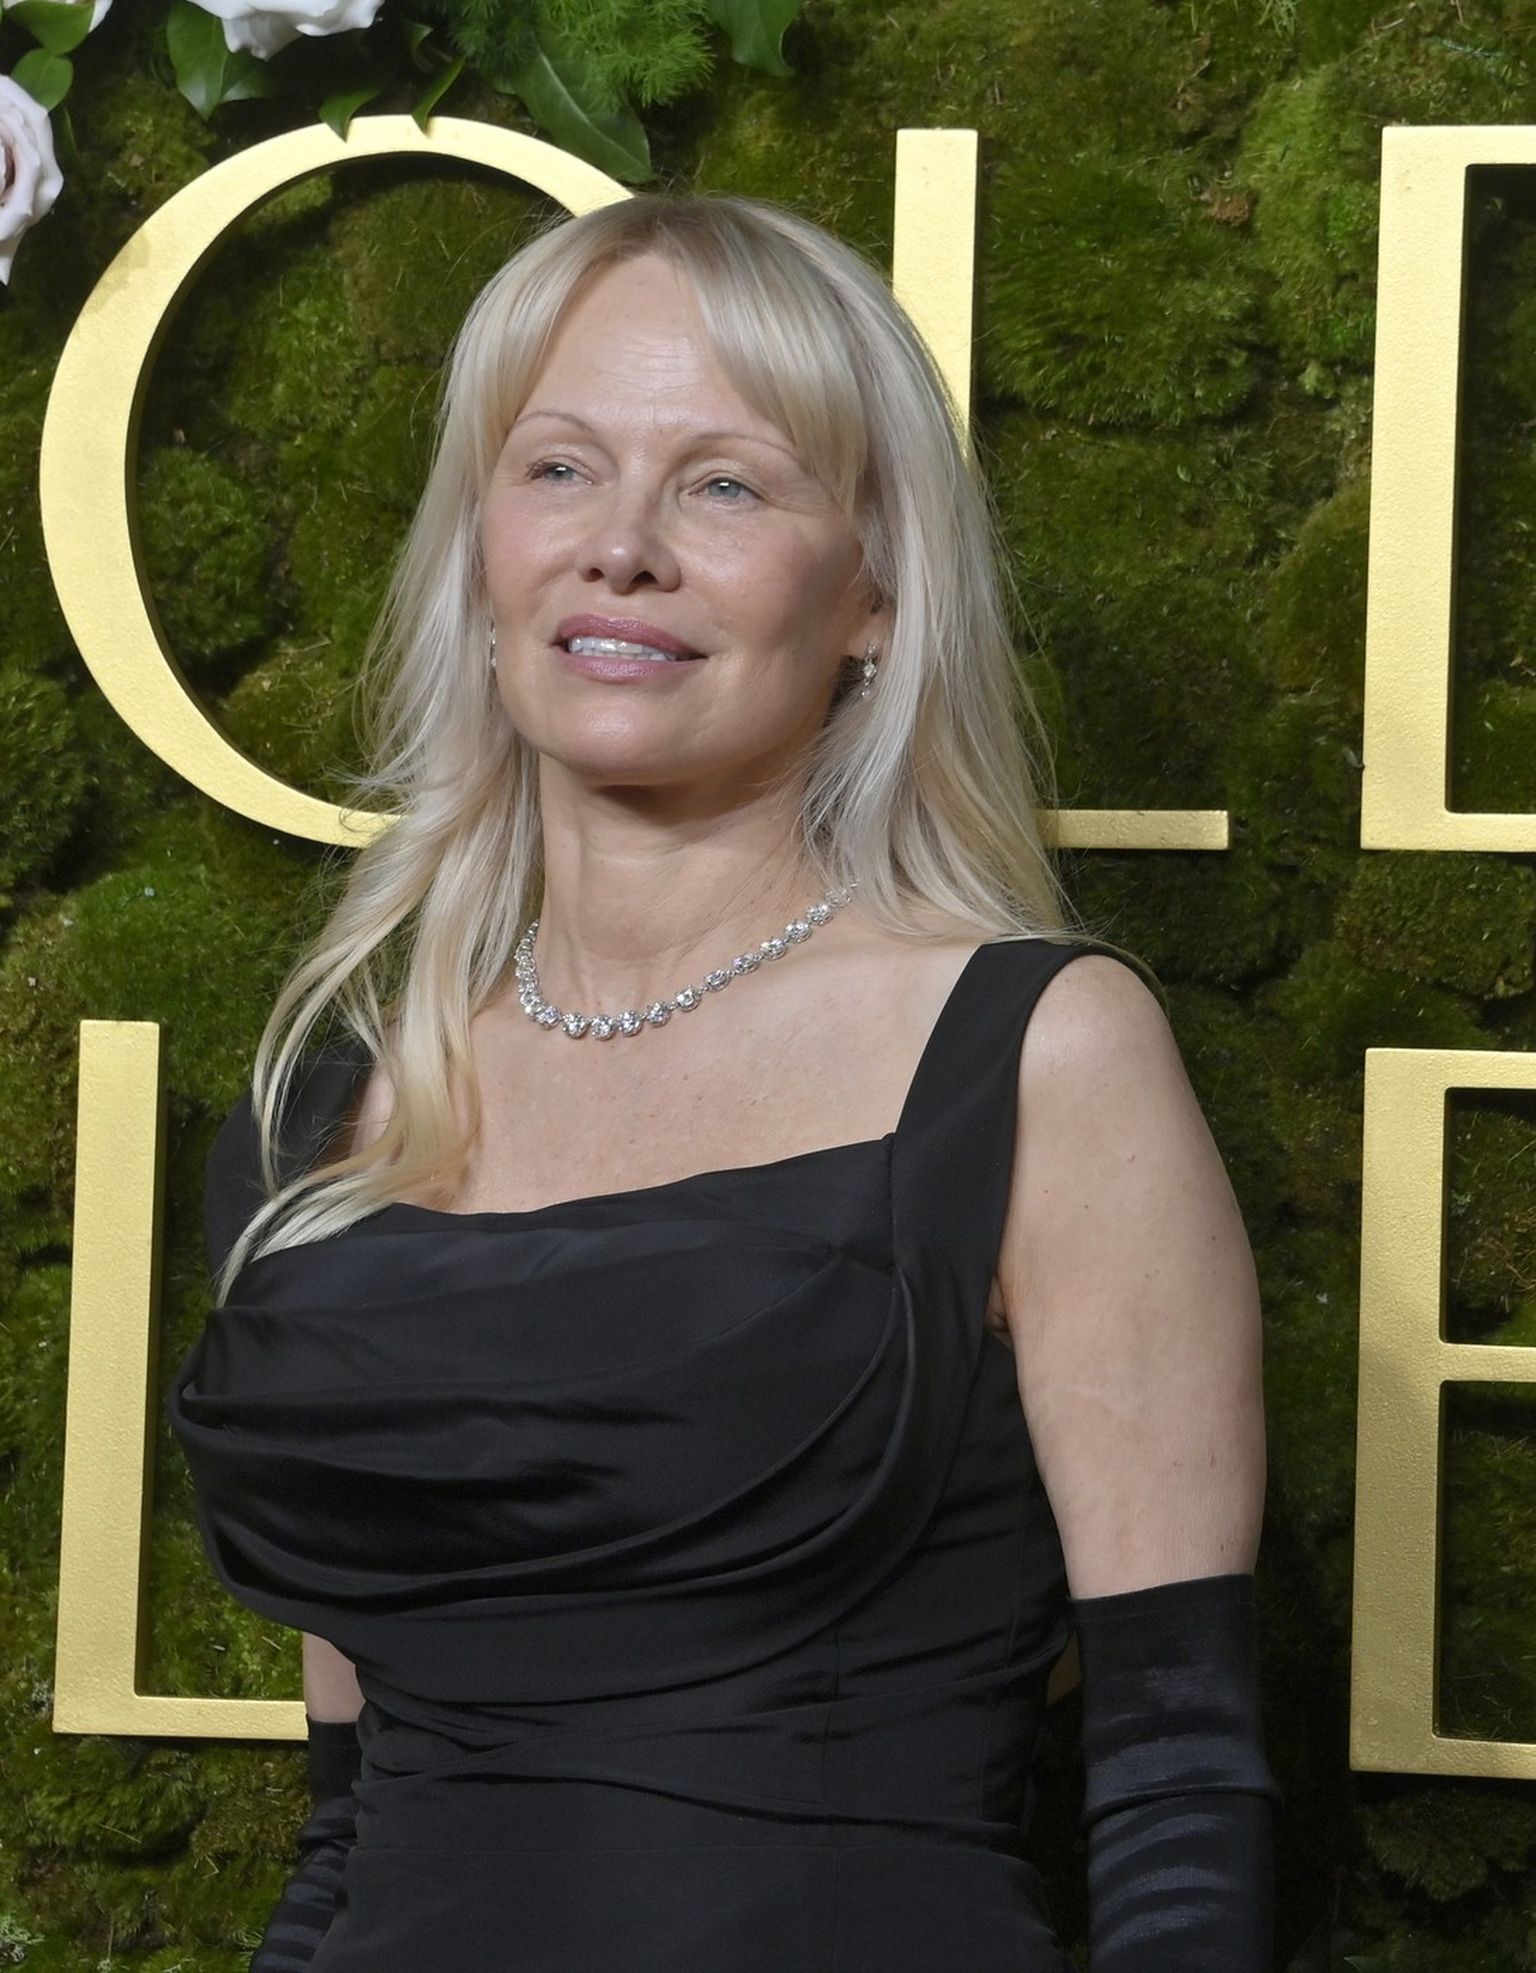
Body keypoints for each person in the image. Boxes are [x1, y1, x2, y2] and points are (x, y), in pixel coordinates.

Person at [166, 190, 1278, 1971]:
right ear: (479, 548)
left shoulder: (1036, 1055)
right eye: (560, 468)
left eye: (727, 486)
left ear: (875, 592)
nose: (621, 548)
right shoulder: (333, 1110)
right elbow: (348, 1834)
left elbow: (1177, 1790)